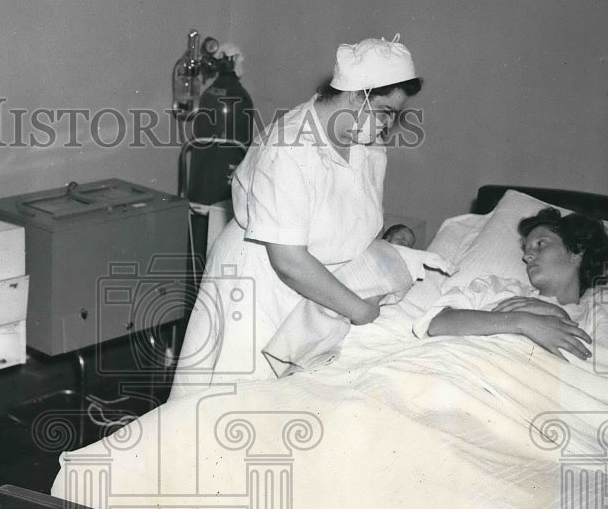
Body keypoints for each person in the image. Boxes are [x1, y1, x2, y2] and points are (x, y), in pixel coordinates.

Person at [170, 36, 423, 400]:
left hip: (317, 296)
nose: (387, 126)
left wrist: (384, 247)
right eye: (385, 112)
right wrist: (359, 310)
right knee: (228, 414)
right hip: (257, 289)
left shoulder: (368, 145)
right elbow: (288, 261)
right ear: (356, 94)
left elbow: (352, 221)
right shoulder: (289, 147)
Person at [414, 208, 608, 360]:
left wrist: (560, 316)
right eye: (526, 249)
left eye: (540, 244)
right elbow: (437, 324)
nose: (527, 256)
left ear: (577, 250)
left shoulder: (594, 319)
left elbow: (602, 374)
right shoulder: (499, 288)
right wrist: (523, 322)